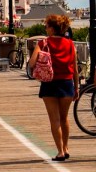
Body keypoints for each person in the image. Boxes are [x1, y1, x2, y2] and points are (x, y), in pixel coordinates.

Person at [28, 14, 78, 161]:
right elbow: (75, 69)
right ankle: (66, 147)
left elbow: (31, 63)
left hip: (49, 84)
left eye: (47, 26)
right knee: (64, 118)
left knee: (54, 120)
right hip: (67, 83)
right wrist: (77, 87)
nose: (45, 28)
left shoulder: (43, 43)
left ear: (52, 28)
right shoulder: (70, 44)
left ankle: (60, 152)